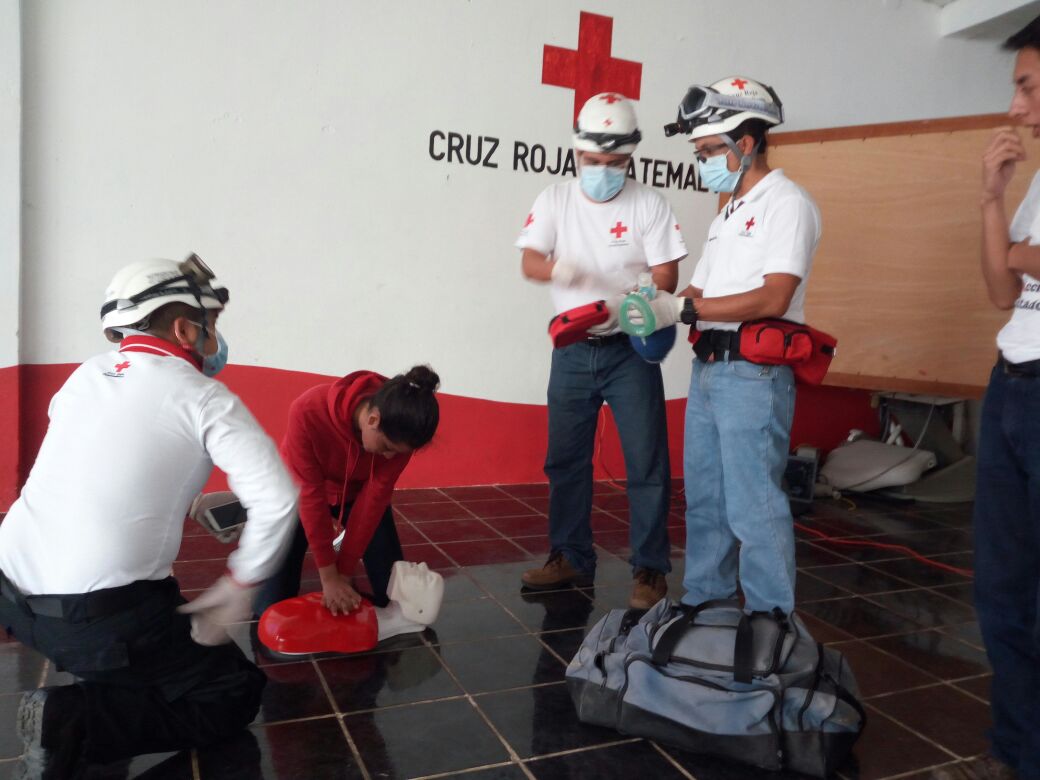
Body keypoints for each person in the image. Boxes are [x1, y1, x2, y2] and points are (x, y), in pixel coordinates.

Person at [0, 255, 299, 778]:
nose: (215, 341)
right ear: (185, 328)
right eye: (211, 327)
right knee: (231, 691)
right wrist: (240, 583)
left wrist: (182, 499)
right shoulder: (206, 399)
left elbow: (101, 464)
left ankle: (102, 687)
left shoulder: (86, 374)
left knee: (136, 655)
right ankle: (72, 722)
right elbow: (278, 500)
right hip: (95, 617)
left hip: (12, 593)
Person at [638, 77, 821, 617]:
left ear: (745, 143)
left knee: (754, 507)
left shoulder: (786, 204)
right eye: (699, 153)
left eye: (709, 151)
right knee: (706, 502)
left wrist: (684, 310)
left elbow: (774, 295)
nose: (703, 162)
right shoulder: (728, 212)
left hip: (753, 376)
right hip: (711, 370)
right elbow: (701, 290)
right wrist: (656, 301)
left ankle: (770, 621)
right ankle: (706, 606)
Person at [515, 92, 687, 610]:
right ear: (577, 154)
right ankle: (570, 556)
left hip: (629, 349)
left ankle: (650, 570)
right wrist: (559, 269)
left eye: (615, 163)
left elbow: (668, 273)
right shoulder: (555, 200)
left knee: (646, 462)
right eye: (594, 162)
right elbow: (529, 261)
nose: (604, 171)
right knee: (565, 460)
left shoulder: (649, 204)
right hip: (571, 348)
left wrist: (645, 293)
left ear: (630, 158)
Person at [970, 16, 1040, 780]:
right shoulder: (1038, 181)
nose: (1016, 107)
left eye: (1026, 85)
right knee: (1001, 591)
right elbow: (1001, 291)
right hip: (1012, 386)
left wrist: (1021, 254)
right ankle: (1018, 753)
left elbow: (1020, 266)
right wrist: (992, 200)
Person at [254, 366, 440, 618]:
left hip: (355, 492)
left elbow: (373, 500)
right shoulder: (308, 410)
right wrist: (329, 577)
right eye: (386, 447)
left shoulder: (403, 430)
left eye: (398, 452)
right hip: (295, 493)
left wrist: (343, 573)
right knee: (269, 607)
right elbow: (309, 496)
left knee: (394, 596)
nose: (390, 456)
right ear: (373, 420)